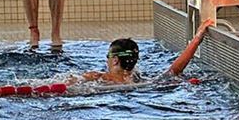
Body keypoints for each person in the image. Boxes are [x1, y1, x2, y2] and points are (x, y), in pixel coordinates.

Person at [74, 19, 214, 85]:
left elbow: (69, 84)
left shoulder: (99, 77)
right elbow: (174, 71)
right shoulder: (140, 80)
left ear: (115, 60)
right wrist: (197, 38)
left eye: (108, 57)